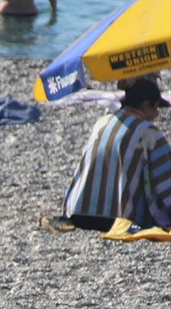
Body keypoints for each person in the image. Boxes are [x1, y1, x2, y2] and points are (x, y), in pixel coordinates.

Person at [63, 76, 171, 231]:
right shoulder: (148, 131)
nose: (156, 115)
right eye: (155, 108)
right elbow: (166, 181)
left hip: (79, 213)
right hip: (118, 220)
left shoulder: (102, 122)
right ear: (145, 105)